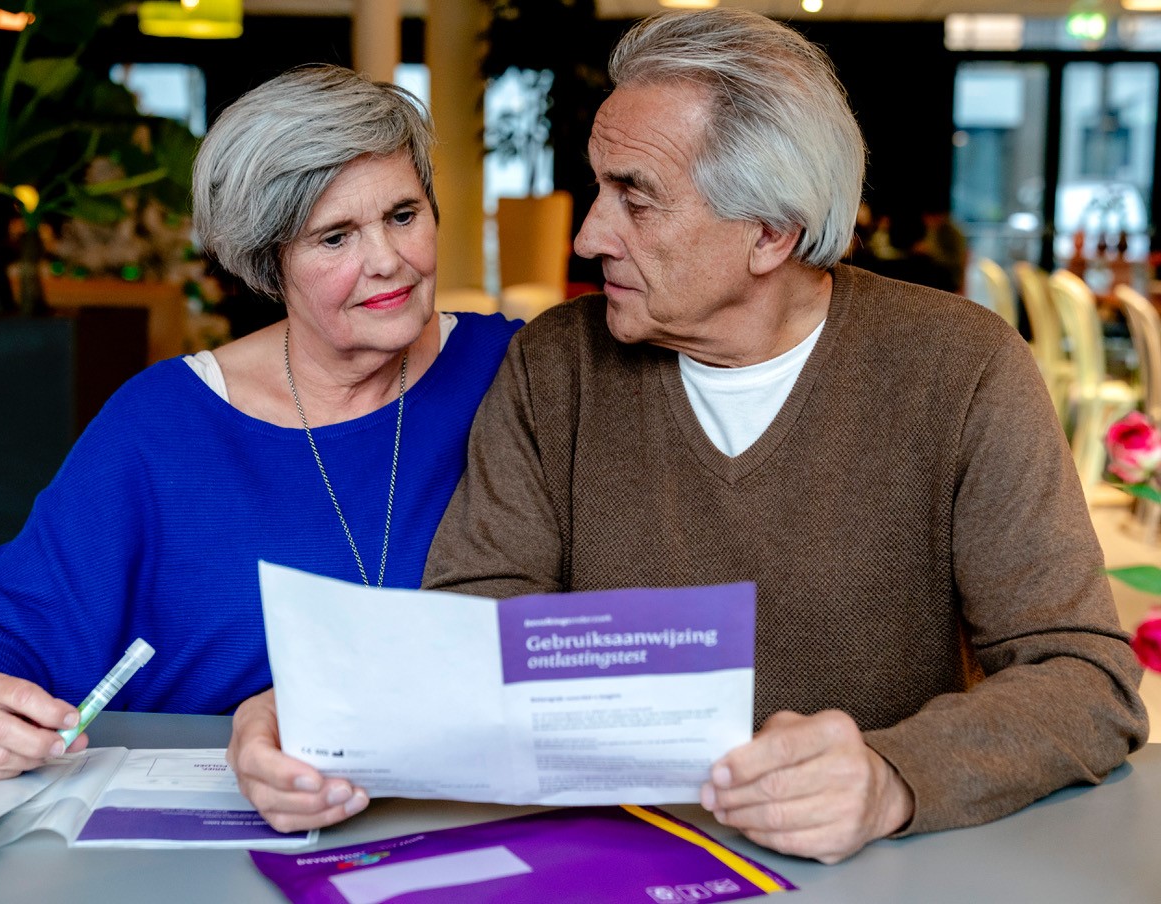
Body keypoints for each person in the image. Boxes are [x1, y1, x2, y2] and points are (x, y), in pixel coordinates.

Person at [419, 9, 1148, 864]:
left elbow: (1085, 679)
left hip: (877, 869)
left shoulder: (963, 366)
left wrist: (890, 778)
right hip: (612, 853)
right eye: (598, 188)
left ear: (769, 233)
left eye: (635, 199)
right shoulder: (556, 364)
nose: (589, 235)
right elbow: (469, 630)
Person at [0, 64, 521, 830]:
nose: (387, 260)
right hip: (206, 832)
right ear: (269, 262)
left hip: (455, 821)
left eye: (403, 214)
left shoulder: (518, 373)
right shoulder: (164, 424)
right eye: (335, 237)